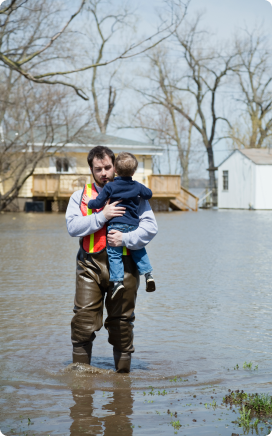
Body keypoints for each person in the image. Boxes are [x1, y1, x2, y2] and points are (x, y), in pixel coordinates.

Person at [65, 145, 158, 373]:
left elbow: (151, 228)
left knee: (122, 325)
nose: (104, 173)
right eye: (98, 169)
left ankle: (123, 384)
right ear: (91, 170)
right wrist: (101, 216)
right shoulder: (81, 196)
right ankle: (81, 382)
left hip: (125, 266)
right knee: (83, 322)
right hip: (90, 265)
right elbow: (72, 227)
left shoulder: (134, 193)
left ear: (115, 166)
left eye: (108, 167)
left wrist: (125, 237)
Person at [82, 151, 156, 300]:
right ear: (134, 171)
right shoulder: (137, 186)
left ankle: (117, 281)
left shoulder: (110, 187)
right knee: (138, 249)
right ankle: (148, 274)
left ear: (115, 170)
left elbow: (98, 203)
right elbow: (149, 194)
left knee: (114, 254)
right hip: (133, 226)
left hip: (116, 226)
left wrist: (89, 201)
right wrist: (139, 192)